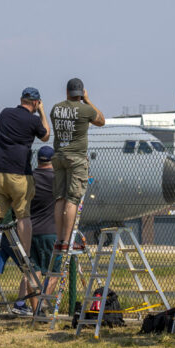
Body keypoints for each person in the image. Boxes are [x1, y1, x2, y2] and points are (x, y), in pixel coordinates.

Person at [0, 87, 50, 271]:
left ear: (21, 99)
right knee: (23, 215)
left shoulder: (4, 113)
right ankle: (25, 257)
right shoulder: (33, 120)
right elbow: (45, 136)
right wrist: (42, 111)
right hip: (19, 173)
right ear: (35, 102)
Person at [50, 78, 105, 249]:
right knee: (72, 199)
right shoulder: (85, 109)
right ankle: (67, 241)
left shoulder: (55, 109)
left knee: (60, 198)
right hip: (76, 159)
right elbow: (101, 120)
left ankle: (59, 239)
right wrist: (88, 101)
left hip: (59, 156)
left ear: (67, 92)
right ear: (81, 93)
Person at [28, 146, 58, 306]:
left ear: (38, 160)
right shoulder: (56, 178)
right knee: (54, 272)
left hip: (30, 231)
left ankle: (34, 311)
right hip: (50, 231)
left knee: (33, 272)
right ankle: (43, 305)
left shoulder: (30, 177)